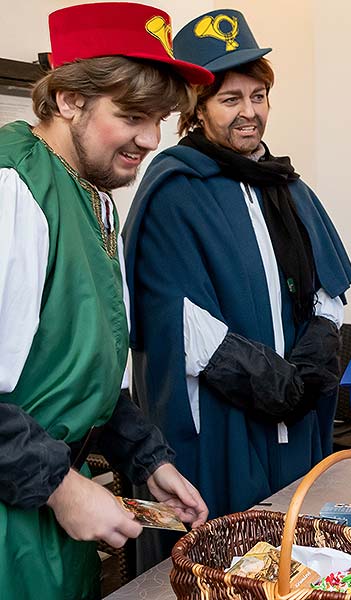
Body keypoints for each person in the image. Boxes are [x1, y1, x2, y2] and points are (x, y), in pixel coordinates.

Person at [0, 3, 213, 598]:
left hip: (49, 508)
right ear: (68, 99)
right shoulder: (11, 187)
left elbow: (87, 377)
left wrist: (148, 461)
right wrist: (62, 487)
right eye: (132, 116)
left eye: (161, 119)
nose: (150, 139)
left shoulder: (95, 201)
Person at [123, 9, 351, 522]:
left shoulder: (287, 186)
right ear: (197, 110)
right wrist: (269, 381)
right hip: (225, 419)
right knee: (229, 557)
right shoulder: (174, 190)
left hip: (297, 421)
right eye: (230, 100)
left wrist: (310, 360)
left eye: (258, 96)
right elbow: (174, 314)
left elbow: (329, 287)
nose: (248, 113)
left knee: (301, 549)